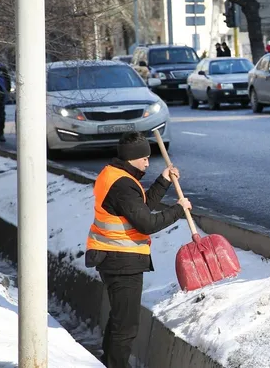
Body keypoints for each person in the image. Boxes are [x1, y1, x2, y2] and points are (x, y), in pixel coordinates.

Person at [84, 132, 192, 368]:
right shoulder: (122, 185)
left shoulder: (117, 176)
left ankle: (109, 363)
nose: (147, 162)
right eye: (143, 158)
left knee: (119, 319)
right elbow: (147, 223)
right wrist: (178, 209)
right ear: (132, 158)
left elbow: (140, 209)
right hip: (121, 260)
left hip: (113, 256)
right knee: (126, 326)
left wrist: (163, 180)